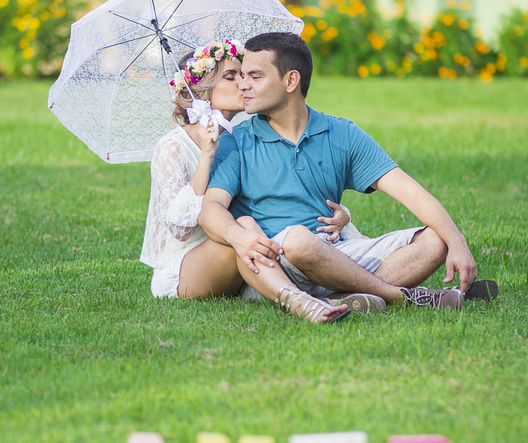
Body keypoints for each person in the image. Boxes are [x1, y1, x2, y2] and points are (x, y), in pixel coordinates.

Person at [199, 32, 498, 311]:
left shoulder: (341, 133)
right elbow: (211, 208)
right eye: (241, 76)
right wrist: (237, 236)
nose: (242, 85)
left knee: (436, 239)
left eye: (254, 76)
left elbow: (409, 192)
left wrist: (458, 242)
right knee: (300, 240)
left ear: (290, 81)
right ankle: (402, 296)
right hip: (275, 265)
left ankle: (341, 297)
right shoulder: (237, 140)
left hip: (336, 256)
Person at [140, 40, 365, 323]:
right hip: (189, 265)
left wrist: (344, 215)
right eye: (231, 77)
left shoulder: (242, 138)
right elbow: (179, 228)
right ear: (200, 90)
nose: (244, 84)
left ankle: (335, 291)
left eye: (245, 75)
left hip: (242, 252)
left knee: (252, 230)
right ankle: (301, 301)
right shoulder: (172, 146)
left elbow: (278, 197)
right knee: (244, 226)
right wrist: (207, 156)